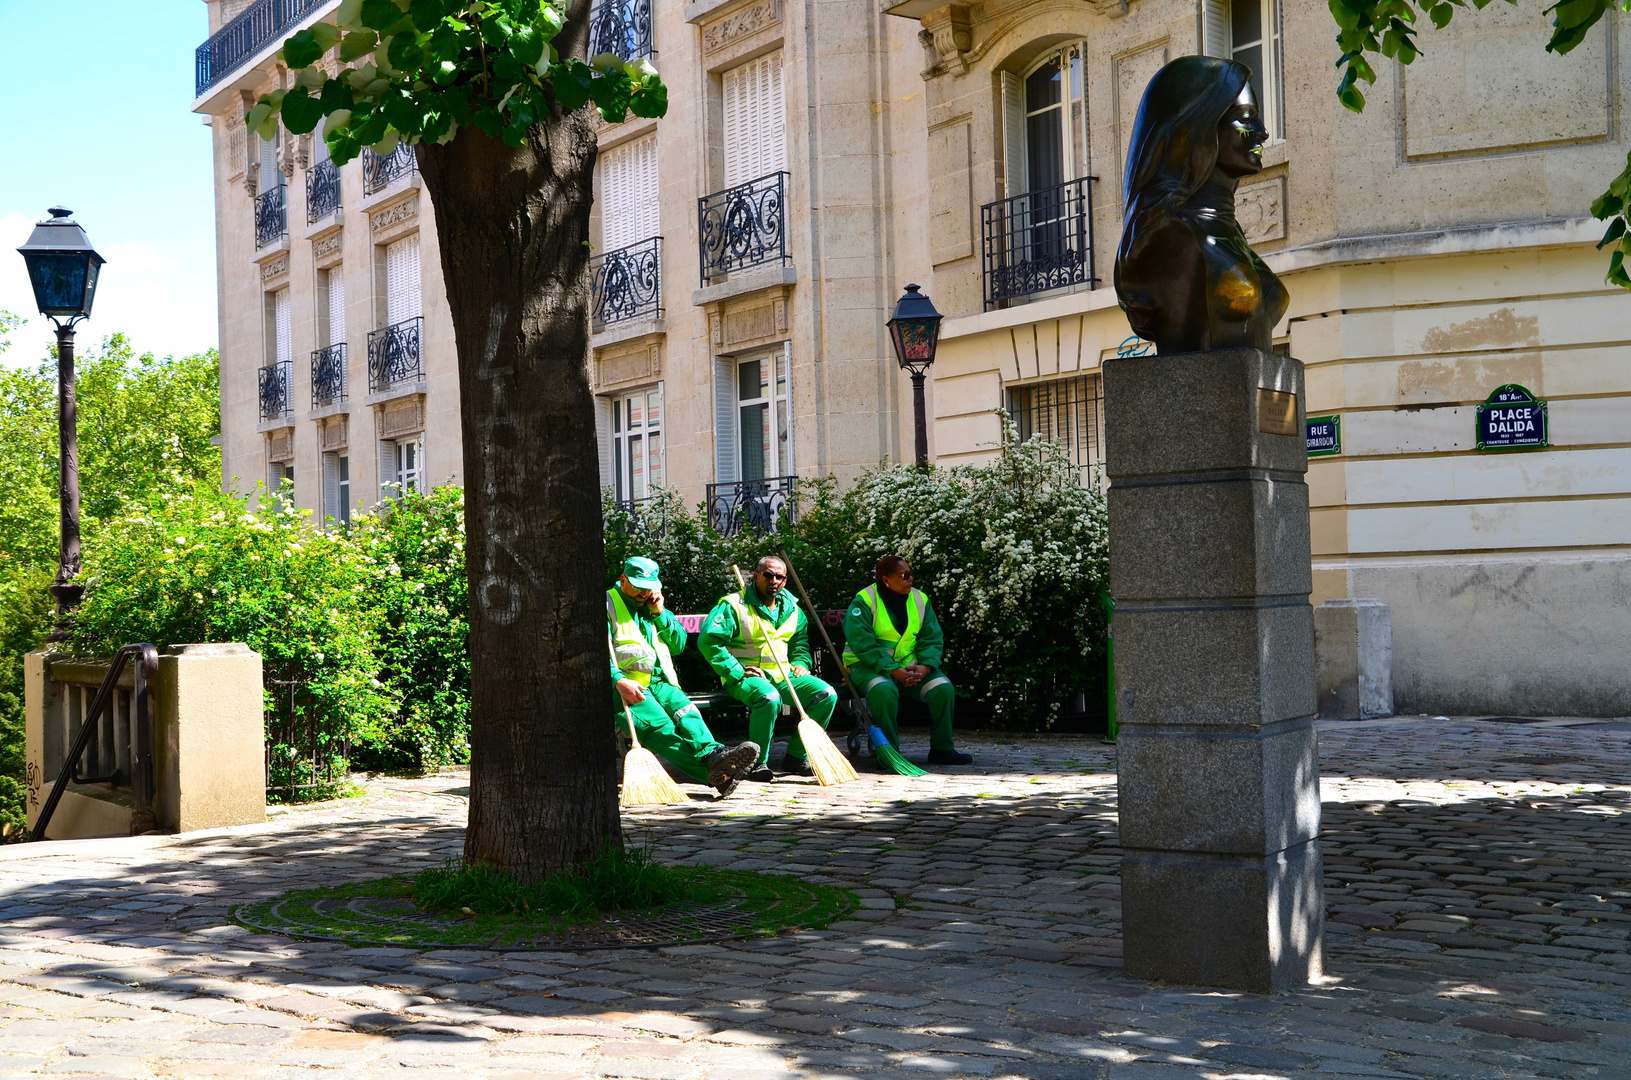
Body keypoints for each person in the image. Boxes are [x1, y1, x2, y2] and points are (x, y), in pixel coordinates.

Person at [608, 556, 759, 798]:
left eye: (649, 588)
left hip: (661, 682)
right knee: (663, 730)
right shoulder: (607, 604)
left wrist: (660, 613)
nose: (644, 593)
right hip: (626, 687)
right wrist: (617, 680)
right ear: (623, 579)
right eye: (638, 586)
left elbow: (678, 645)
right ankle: (716, 775)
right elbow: (594, 653)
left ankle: (714, 755)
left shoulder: (652, 604)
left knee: (687, 713)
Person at [699, 555, 838, 782]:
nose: (774, 580)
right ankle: (756, 762)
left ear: (785, 581)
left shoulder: (792, 608)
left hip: (784, 674)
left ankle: (796, 756)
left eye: (779, 577)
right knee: (769, 698)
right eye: (768, 575)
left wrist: (802, 663)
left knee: (825, 694)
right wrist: (736, 669)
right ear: (756, 576)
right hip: (745, 677)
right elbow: (709, 641)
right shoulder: (734, 605)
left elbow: (799, 643)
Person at [843, 555, 971, 766]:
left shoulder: (920, 599)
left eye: (911, 574)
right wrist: (893, 670)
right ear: (886, 580)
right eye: (905, 575)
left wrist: (926, 666)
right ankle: (889, 752)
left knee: (943, 688)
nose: (911, 579)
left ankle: (942, 749)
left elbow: (931, 638)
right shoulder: (864, 601)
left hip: (910, 668)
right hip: (867, 667)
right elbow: (862, 643)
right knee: (884, 690)